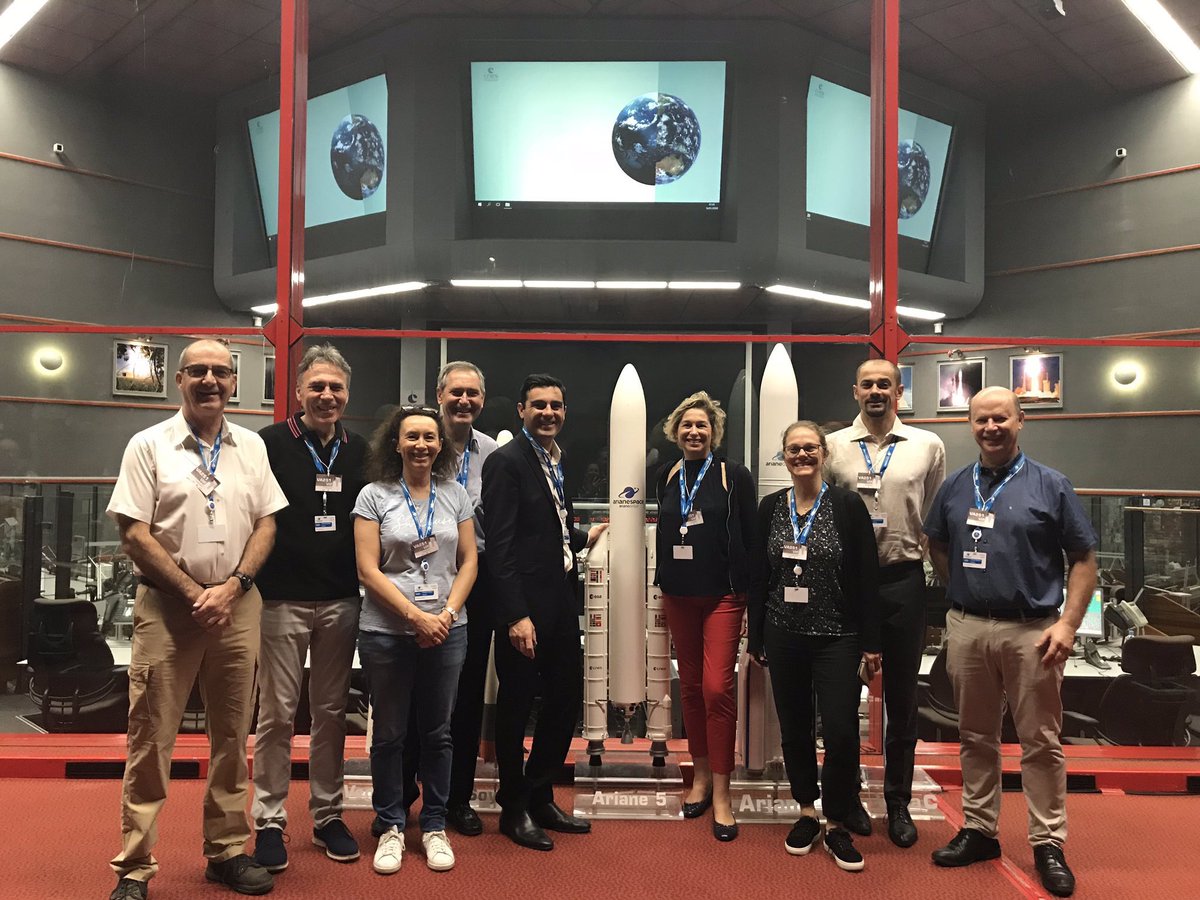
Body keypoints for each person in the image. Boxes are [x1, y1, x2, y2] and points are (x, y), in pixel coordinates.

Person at [106, 339, 288, 900]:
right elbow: (134, 533)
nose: (211, 380)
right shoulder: (148, 445)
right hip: (168, 607)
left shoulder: (251, 446)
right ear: (179, 379)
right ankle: (135, 866)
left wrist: (233, 588)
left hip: (237, 606)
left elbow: (267, 524)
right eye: (199, 371)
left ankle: (227, 851)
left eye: (221, 372)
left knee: (233, 736)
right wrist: (194, 593)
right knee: (150, 738)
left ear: (234, 382)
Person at [924, 387, 1096, 898]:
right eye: (981, 420)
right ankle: (980, 831)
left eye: (1001, 418)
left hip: (1032, 630)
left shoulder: (1051, 485)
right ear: (970, 425)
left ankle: (1048, 842)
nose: (991, 427)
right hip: (969, 627)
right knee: (975, 736)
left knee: (1040, 742)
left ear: (1021, 421)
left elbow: (1083, 560)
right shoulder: (956, 486)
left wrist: (1067, 624)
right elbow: (937, 544)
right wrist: (964, 594)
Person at [251, 345, 367, 873]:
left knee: (331, 713)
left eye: (335, 387)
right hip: (280, 598)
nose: (326, 395)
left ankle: (327, 815)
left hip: (341, 598)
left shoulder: (360, 450)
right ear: (298, 391)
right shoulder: (268, 444)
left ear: (347, 394)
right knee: (276, 714)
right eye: (316, 386)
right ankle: (269, 820)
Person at [747, 421, 881, 872]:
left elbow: (866, 576)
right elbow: (759, 576)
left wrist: (871, 641)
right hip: (784, 634)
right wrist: (756, 635)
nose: (801, 455)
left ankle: (837, 820)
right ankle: (806, 810)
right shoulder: (770, 507)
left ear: (823, 453)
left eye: (809, 448)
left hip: (837, 636)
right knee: (794, 728)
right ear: (784, 457)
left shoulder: (846, 505)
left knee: (841, 731)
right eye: (793, 449)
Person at [481, 373, 605, 851]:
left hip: (559, 599)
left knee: (564, 699)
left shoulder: (556, 459)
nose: (548, 412)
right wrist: (515, 615)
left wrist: (583, 536)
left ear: (564, 411)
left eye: (556, 405)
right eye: (538, 405)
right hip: (524, 608)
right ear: (521, 410)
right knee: (516, 706)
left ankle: (540, 793)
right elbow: (501, 544)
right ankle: (513, 807)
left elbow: (548, 524)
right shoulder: (506, 462)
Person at [352, 406, 478, 875]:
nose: (421, 445)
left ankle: (434, 825)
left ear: (440, 445)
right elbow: (367, 569)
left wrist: (444, 615)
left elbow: (469, 562)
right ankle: (391, 825)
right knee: (389, 735)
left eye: (429, 437)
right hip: (386, 633)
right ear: (396, 444)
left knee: (438, 734)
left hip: (447, 630)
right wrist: (414, 617)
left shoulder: (455, 494)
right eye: (412, 437)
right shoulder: (373, 495)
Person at [825, 359, 945, 846]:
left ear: (898, 392)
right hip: (846, 584)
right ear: (855, 391)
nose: (876, 391)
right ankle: (848, 798)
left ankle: (898, 801)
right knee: (841, 698)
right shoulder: (833, 446)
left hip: (902, 581)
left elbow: (932, 514)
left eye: (885, 384)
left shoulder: (927, 445)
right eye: (867, 384)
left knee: (902, 698)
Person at [401, 361, 499, 836]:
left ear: (482, 400)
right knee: (412, 692)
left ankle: (456, 798)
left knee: (465, 694)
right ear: (439, 395)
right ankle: (402, 795)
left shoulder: (493, 453)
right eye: (456, 392)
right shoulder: (420, 443)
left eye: (472, 394)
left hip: (475, 580)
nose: (464, 400)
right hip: (419, 579)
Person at [652, 391, 755, 841]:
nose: (694, 432)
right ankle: (700, 778)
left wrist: (751, 597)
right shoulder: (667, 474)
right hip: (678, 595)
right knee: (691, 690)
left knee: (717, 689)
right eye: (687, 425)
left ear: (714, 432)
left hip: (723, 597)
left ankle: (723, 795)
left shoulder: (735, 475)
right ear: (676, 432)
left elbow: (749, 536)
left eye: (702, 425)